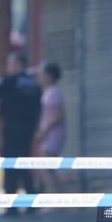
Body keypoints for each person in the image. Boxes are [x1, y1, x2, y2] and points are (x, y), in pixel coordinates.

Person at [0, 51, 42, 216]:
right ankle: (31, 203)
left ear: (19, 65)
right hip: (27, 130)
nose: (8, 68)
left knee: (11, 167)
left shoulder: (11, 82)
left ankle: (11, 206)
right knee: (25, 166)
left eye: (10, 64)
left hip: (12, 129)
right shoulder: (32, 84)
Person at [35, 62, 65, 193]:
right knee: (48, 168)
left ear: (49, 76)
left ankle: (55, 199)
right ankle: (55, 198)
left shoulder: (53, 93)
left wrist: (43, 130)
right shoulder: (48, 92)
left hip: (53, 135)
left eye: (42, 74)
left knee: (48, 168)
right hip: (49, 135)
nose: (40, 77)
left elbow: (57, 116)